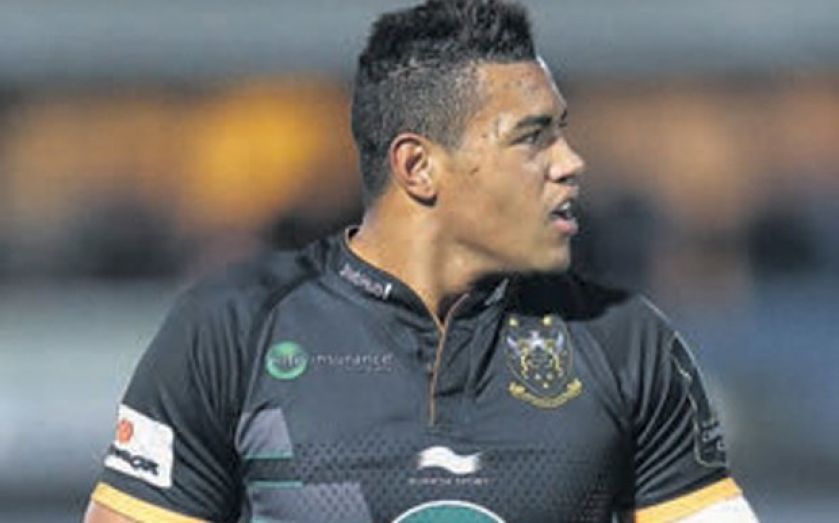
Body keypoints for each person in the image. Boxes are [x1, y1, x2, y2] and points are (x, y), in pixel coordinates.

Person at [84, 1, 759, 521]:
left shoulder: (623, 341)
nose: (569, 162)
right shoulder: (233, 329)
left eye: (562, 131)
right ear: (418, 166)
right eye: (532, 138)